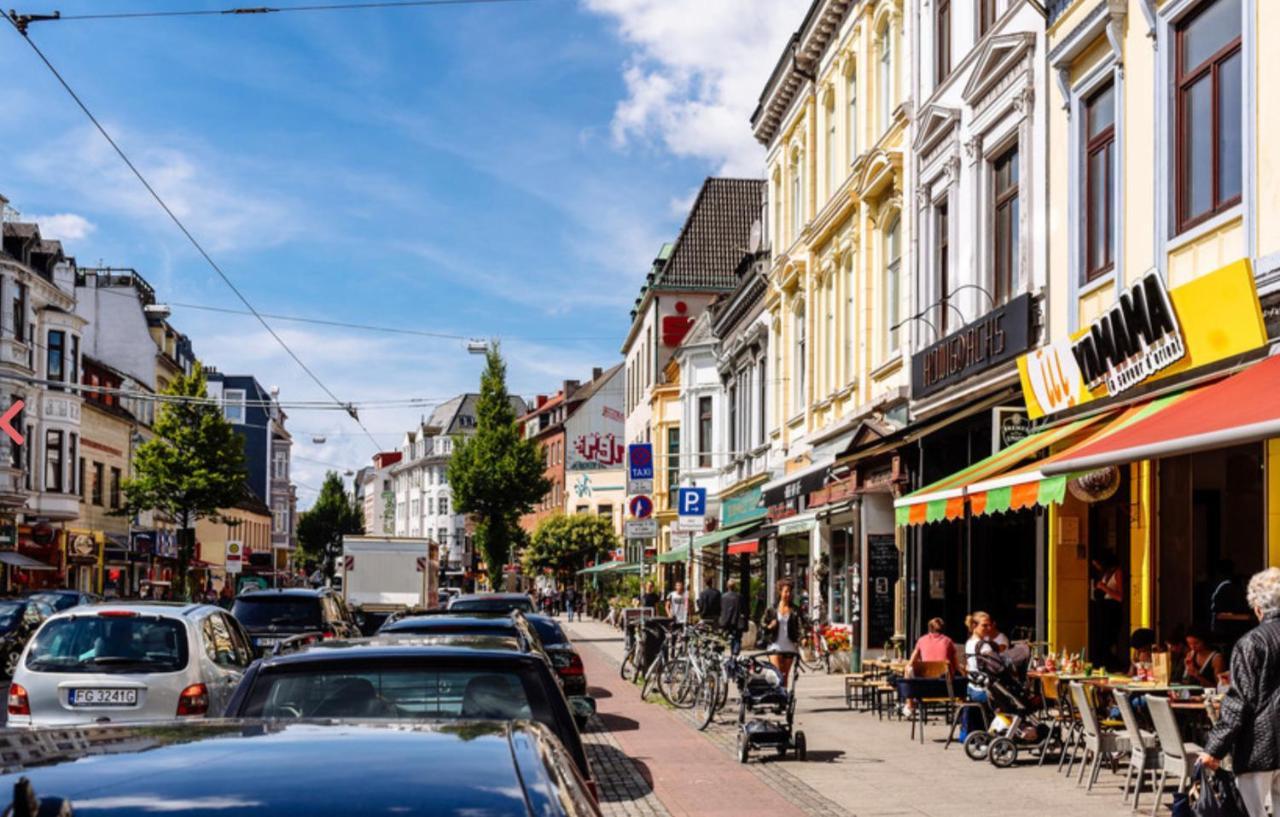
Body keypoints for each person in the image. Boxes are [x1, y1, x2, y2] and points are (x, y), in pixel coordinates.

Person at [1200, 568, 1280, 817]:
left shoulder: (1251, 643)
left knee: (1252, 812)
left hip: (1258, 747)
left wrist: (1214, 749)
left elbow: (1239, 702)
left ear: (1257, 607)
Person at [960, 611, 1000, 740]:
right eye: (984, 625)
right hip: (984, 691)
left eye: (989, 625)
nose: (988, 628)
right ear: (974, 626)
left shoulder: (969, 642)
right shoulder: (984, 647)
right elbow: (998, 667)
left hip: (972, 688)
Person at [760, 580, 802, 687]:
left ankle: (783, 701)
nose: (788, 594)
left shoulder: (795, 609)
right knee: (777, 674)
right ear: (780, 592)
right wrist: (769, 626)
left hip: (789, 646)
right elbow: (762, 623)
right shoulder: (772, 609)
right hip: (774, 645)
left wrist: (802, 638)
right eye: (785, 591)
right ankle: (778, 696)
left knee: (785, 675)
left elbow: (801, 625)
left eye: (789, 592)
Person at [718, 580, 748, 655]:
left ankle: (733, 653)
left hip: (727, 621)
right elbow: (744, 609)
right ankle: (735, 653)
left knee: (731, 638)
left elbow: (721, 609)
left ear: (727, 586)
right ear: (735, 587)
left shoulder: (723, 597)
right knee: (737, 638)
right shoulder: (739, 596)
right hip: (737, 622)